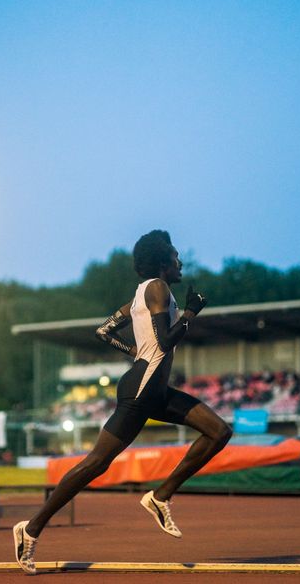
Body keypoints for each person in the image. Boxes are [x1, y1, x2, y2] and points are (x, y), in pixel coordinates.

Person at [13, 230, 232, 574]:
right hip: (142, 389)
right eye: (176, 257)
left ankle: (160, 497)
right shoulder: (158, 288)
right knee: (96, 463)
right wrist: (190, 313)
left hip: (153, 388)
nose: (181, 262)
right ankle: (30, 528)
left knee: (219, 431)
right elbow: (162, 344)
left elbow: (103, 331)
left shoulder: (141, 297)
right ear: (162, 263)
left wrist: (134, 351)